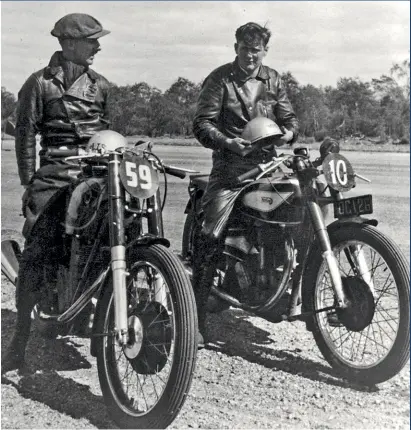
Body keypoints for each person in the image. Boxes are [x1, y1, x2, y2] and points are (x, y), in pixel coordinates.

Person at [2, 13, 111, 372]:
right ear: (67, 44)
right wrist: (30, 182)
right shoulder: (39, 83)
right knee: (39, 248)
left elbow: (106, 133)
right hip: (53, 175)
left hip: (94, 173)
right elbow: (25, 136)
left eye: (97, 39)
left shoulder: (102, 85)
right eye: (90, 40)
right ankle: (19, 340)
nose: (97, 46)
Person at [192, 22, 299, 347]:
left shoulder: (274, 79)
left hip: (269, 166)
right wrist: (229, 143)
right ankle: (194, 318)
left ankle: (282, 292)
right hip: (231, 169)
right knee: (211, 235)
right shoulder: (220, 79)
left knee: (298, 213)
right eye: (245, 48)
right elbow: (202, 124)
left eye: (257, 50)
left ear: (264, 51)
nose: (250, 56)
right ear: (236, 47)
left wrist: (289, 135)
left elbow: (290, 119)